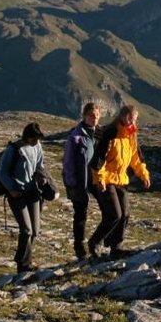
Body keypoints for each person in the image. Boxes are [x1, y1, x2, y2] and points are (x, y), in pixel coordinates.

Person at [88, 105, 150, 258]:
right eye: (129, 119)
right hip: (105, 178)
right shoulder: (110, 133)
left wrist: (144, 175)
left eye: (134, 120)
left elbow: (136, 157)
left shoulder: (131, 134)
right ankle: (95, 242)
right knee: (114, 214)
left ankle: (116, 247)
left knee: (125, 213)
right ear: (122, 116)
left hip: (120, 178)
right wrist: (100, 178)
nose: (131, 122)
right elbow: (99, 158)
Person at [0, 122, 46, 273]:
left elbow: (39, 165)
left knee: (35, 231)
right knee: (26, 230)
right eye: (34, 138)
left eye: (38, 138)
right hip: (17, 194)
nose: (36, 141)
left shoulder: (37, 147)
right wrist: (11, 189)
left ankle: (27, 261)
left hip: (33, 192)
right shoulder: (14, 149)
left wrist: (40, 177)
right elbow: (1, 171)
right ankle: (22, 265)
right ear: (27, 137)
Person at [61, 101, 101, 259]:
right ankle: (79, 247)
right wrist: (72, 183)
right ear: (84, 116)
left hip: (95, 179)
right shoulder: (76, 137)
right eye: (91, 116)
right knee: (80, 214)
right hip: (79, 181)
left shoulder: (98, 133)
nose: (94, 119)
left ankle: (99, 242)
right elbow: (68, 162)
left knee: (110, 209)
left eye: (97, 116)